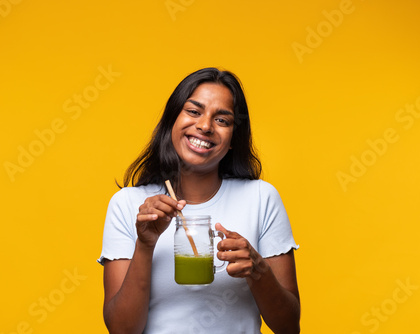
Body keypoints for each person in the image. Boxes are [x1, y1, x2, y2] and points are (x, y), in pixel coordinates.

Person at [98, 67, 300, 334]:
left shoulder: (261, 198)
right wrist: (145, 244)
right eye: (193, 111)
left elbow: (289, 327)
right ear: (172, 121)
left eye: (222, 120)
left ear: (231, 141)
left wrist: (258, 270)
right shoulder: (127, 205)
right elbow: (121, 330)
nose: (205, 126)